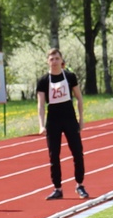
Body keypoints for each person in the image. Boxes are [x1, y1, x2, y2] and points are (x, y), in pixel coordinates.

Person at [37, 49, 89, 200]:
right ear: (48, 61)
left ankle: (80, 185)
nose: (54, 62)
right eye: (51, 59)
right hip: (53, 120)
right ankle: (57, 188)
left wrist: (81, 119)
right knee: (54, 155)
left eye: (57, 58)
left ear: (61, 60)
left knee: (77, 152)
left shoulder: (70, 77)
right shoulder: (43, 81)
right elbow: (40, 105)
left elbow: (79, 98)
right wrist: (41, 125)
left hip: (69, 118)